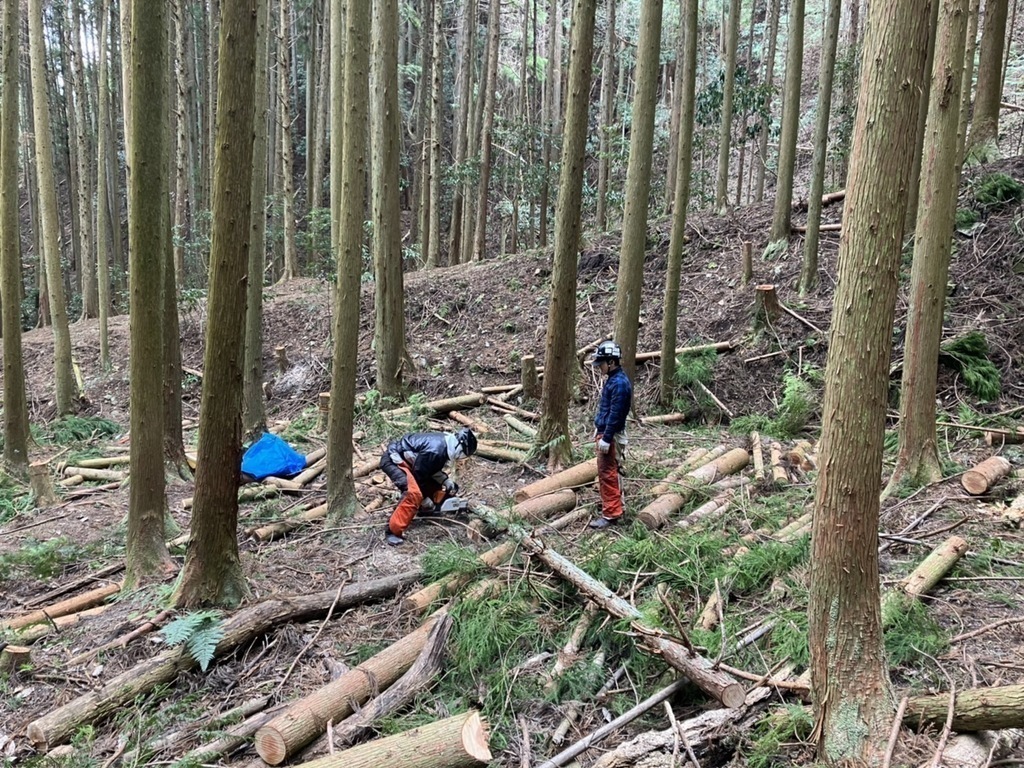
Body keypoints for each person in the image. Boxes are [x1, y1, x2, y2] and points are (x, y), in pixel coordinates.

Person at [380, 426, 478, 546]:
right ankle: (392, 532)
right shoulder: (435, 450)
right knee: (413, 494)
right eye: (462, 454)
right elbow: (419, 475)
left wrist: (445, 481)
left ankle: (425, 510)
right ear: (459, 446)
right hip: (393, 460)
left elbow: (430, 470)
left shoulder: (443, 447)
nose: (461, 457)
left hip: (412, 463)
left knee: (434, 486)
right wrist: (424, 499)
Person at [589, 341, 633, 529]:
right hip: (607, 432)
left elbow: (616, 414)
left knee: (607, 473)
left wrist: (607, 437)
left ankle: (611, 514)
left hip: (611, 435)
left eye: (601, 364)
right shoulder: (614, 381)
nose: (599, 368)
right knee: (610, 471)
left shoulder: (620, 384)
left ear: (612, 362)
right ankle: (615, 506)